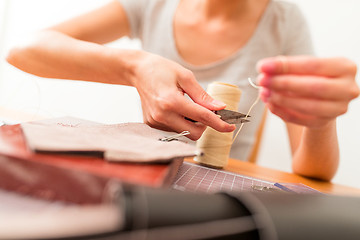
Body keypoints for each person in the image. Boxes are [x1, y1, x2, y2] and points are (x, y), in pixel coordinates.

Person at [6, 0, 359, 181]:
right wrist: (134, 66)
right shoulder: (153, 5)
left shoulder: (283, 20)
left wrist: (320, 120)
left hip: (223, 186)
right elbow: (21, 49)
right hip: (147, 176)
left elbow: (315, 173)